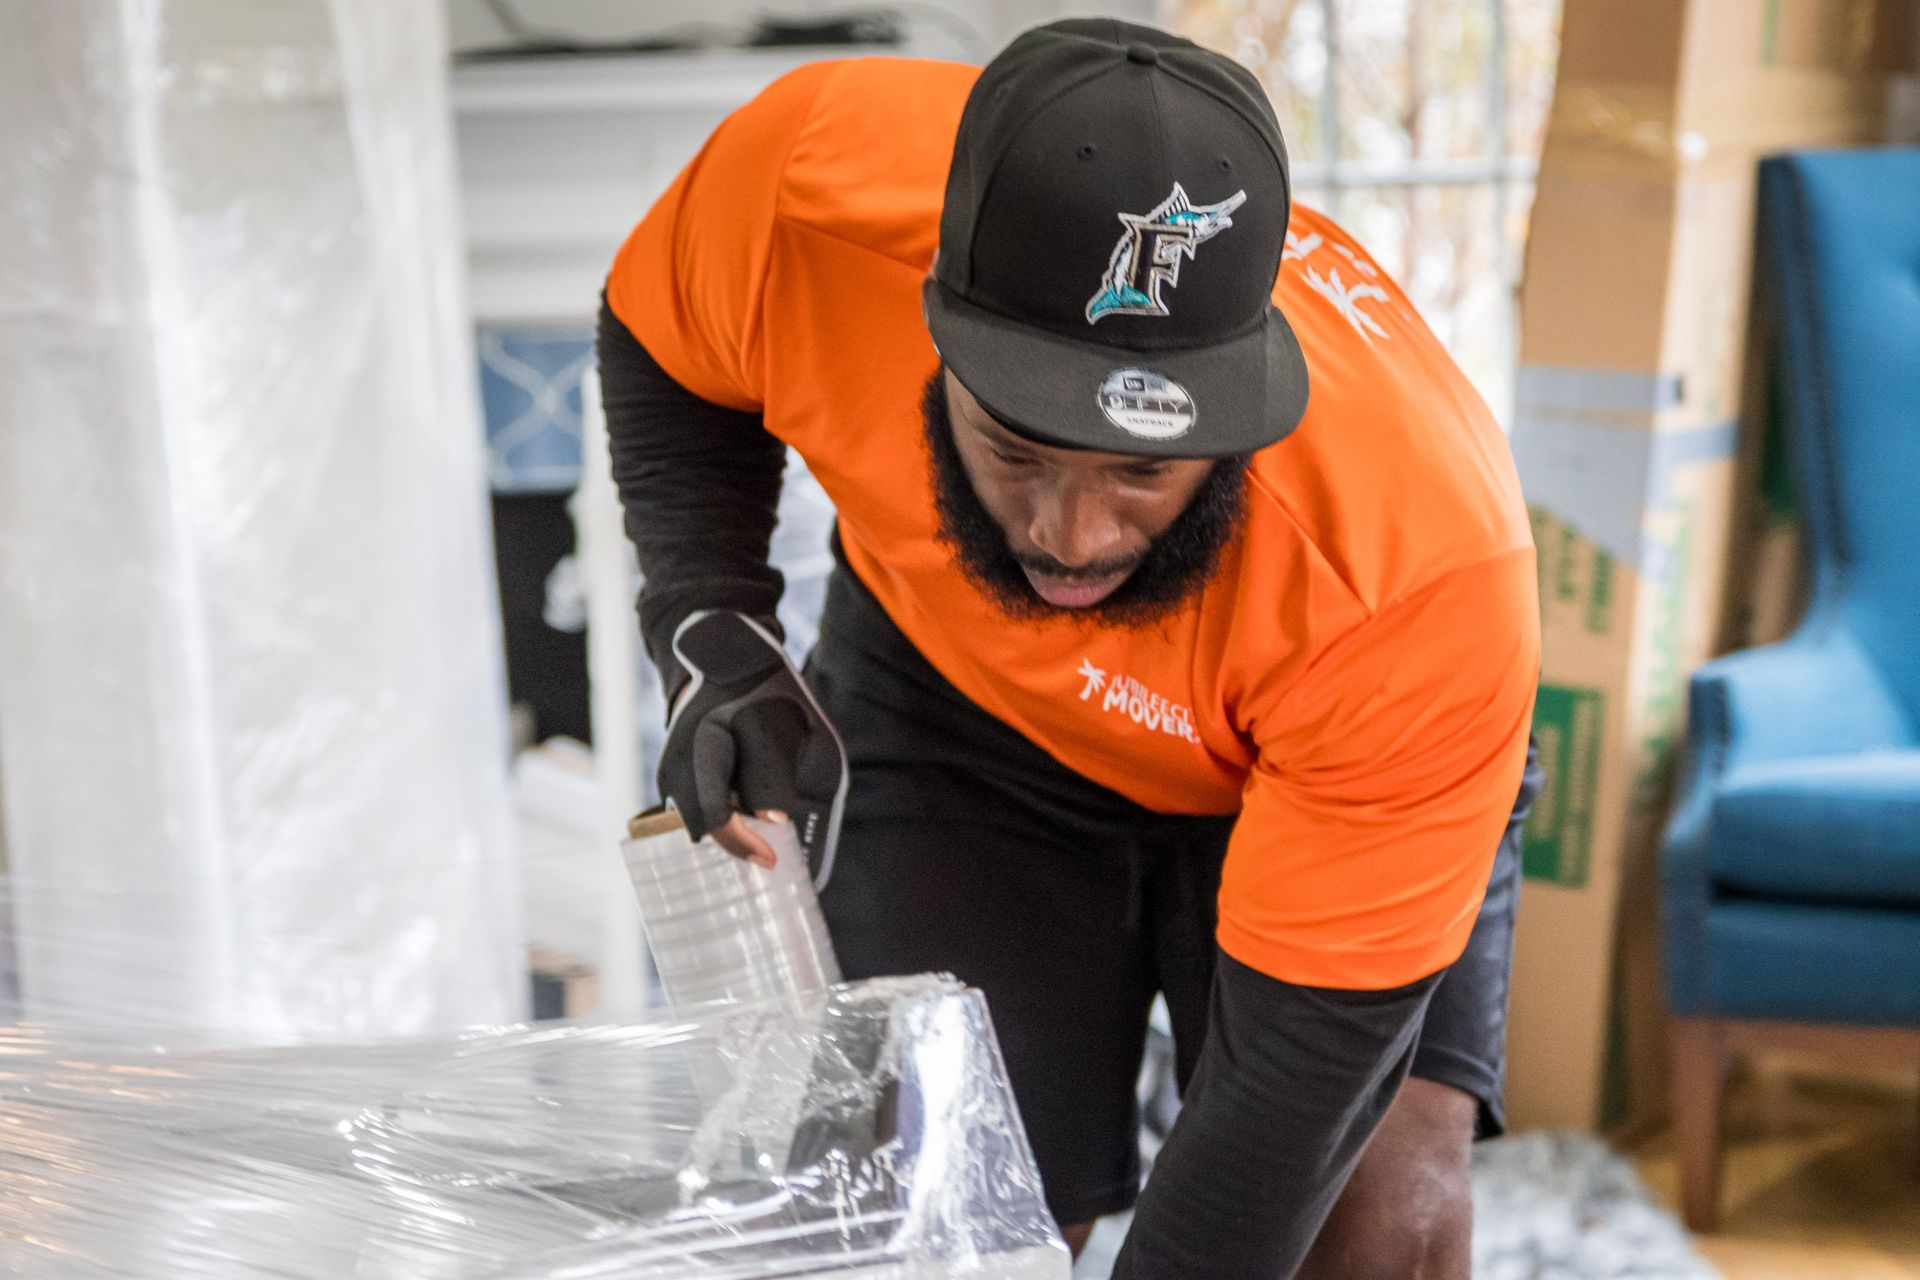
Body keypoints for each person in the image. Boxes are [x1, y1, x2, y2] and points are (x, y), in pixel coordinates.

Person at [599, 18, 1543, 1278]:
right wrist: (714, 628)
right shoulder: (808, 188)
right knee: (941, 1211)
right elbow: (662, 341)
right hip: (960, 711)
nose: (1071, 536)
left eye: (1142, 470)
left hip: (1318, 754)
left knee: (1370, 1228)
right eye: (1018, 450)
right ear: (932, 331)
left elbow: (1280, 1104)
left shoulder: (1415, 572)